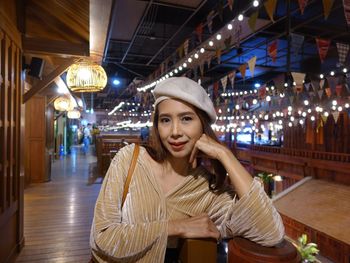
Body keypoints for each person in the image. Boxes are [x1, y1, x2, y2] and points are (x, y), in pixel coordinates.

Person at [90, 77, 285, 262]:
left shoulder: (208, 192)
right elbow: (102, 237)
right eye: (165, 120)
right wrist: (177, 227)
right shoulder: (129, 159)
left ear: (203, 126)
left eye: (186, 119)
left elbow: (270, 232)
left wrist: (225, 155)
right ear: (157, 126)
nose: (175, 132)